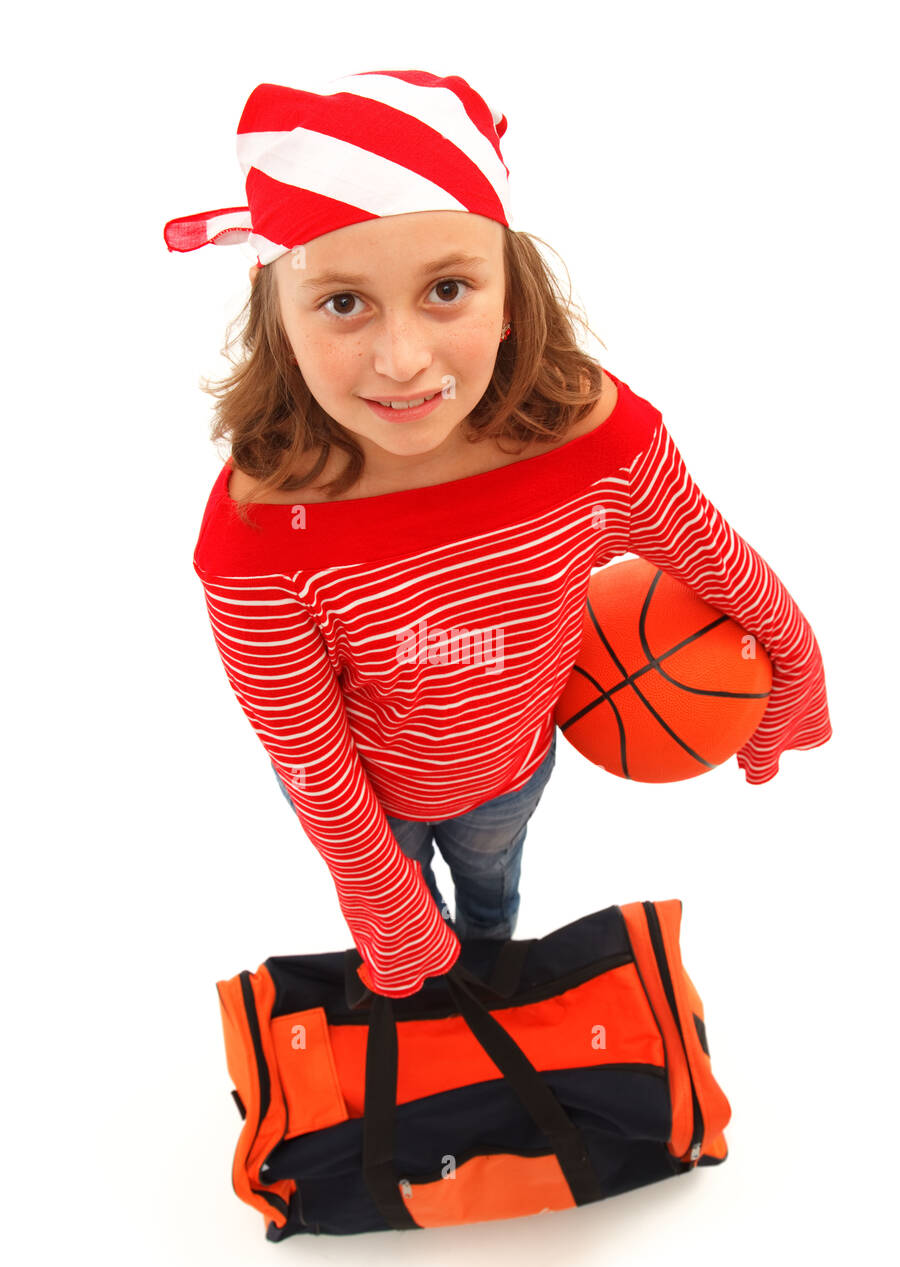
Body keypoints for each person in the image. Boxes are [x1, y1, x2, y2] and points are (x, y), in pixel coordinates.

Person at [166, 71, 832, 1000]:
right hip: (363, 802)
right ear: (273, 304)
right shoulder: (258, 533)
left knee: (492, 897)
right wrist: (379, 896)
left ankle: (484, 971)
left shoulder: (595, 446)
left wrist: (796, 659)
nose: (403, 362)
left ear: (510, 284)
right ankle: (422, 975)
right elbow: (307, 746)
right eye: (344, 302)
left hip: (509, 772)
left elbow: (712, 559)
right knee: (402, 921)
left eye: (447, 287)